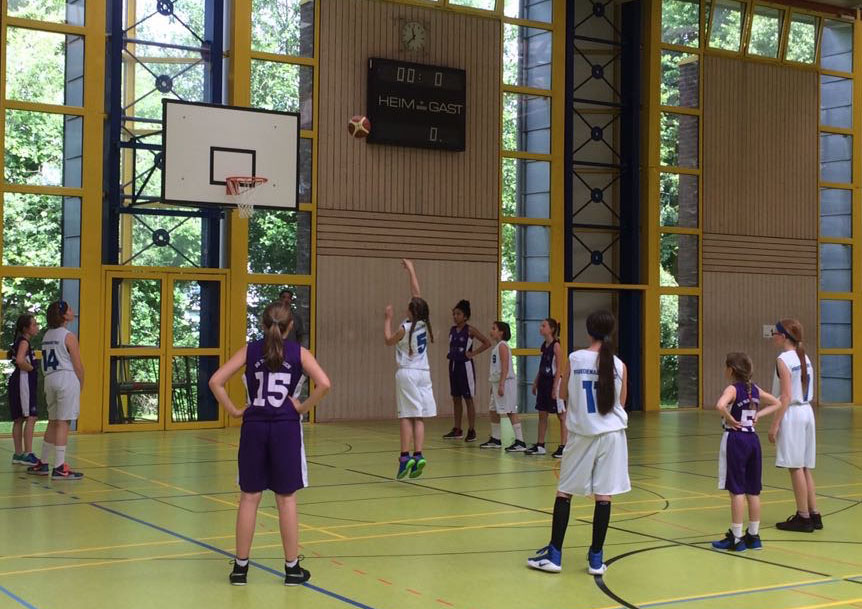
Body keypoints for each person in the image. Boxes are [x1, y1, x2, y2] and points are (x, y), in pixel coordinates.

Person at [209, 301, 330, 586]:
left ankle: (240, 569)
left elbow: (216, 381)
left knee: (249, 497)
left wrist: (234, 410)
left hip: (254, 427)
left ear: (263, 325)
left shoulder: (250, 351)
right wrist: (301, 407)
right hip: (285, 428)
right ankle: (292, 569)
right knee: (286, 499)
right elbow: (324, 383)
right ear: (291, 327)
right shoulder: (299, 353)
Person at [527, 310, 629, 575]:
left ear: (588, 331)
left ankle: (555, 555)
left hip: (583, 434)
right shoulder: (619, 365)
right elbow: (621, 403)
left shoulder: (575, 358)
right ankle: (596, 560)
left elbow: (561, 393)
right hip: (613, 436)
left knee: (565, 491)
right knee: (603, 495)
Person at [711, 353, 780, 552]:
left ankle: (736, 537)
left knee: (737, 491)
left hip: (736, 440)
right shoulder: (755, 389)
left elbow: (719, 405)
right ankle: (754, 536)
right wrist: (759, 414)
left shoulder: (732, 389)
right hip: (753, 441)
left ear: (731, 370)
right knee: (753, 491)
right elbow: (777, 403)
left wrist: (729, 417)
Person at [384, 259, 436, 479]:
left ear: (411, 311)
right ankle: (419, 454)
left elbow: (388, 340)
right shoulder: (424, 323)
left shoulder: (404, 328)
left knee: (406, 416)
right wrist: (411, 270)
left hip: (407, 373)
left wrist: (387, 319)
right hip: (424, 373)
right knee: (419, 416)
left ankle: (404, 456)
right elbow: (417, 293)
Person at [770, 319, 820, 532]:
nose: (773, 336)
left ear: (783, 336)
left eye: (775, 332)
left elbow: (786, 396)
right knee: (804, 466)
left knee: (795, 466)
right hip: (807, 412)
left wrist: (774, 424)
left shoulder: (783, 359)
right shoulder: (803, 356)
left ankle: (803, 517)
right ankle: (814, 514)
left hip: (793, 414)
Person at [27, 301, 84, 480]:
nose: (72, 311)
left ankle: (44, 462)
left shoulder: (47, 335)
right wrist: (81, 383)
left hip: (50, 378)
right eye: (69, 309)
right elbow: (77, 364)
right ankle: (59, 467)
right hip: (66, 378)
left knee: (52, 421)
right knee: (63, 423)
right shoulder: (69, 336)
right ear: (64, 315)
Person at [442, 299, 490, 443]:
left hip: (465, 366)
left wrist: (473, 353)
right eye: (454, 314)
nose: (455, 316)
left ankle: (471, 430)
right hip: (453, 365)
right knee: (456, 398)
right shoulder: (452, 330)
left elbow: (487, 342)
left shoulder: (470, 330)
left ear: (465, 316)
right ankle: (457, 429)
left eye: (458, 314)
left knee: (468, 398)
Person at [479, 321, 526, 452]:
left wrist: (501, 384)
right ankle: (496, 439)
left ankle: (520, 441)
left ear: (501, 332)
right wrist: (494, 385)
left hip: (506, 383)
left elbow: (505, 367)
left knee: (510, 411)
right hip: (497, 382)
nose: (491, 331)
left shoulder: (503, 346)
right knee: (493, 410)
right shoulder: (497, 346)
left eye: (494, 328)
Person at [526, 318, 568, 458]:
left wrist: (555, 387)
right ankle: (540, 445)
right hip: (543, 382)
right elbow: (542, 365)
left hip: (554, 382)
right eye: (540, 326)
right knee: (542, 414)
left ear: (552, 329)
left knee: (561, 415)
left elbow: (559, 368)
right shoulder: (544, 345)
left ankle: (564, 446)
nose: (540, 328)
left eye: (543, 326)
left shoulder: (556, 346)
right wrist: (536, 382)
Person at [9, 314, 40, 466]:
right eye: (34, 324)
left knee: (19, 419)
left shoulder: (21, 341)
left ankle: (18, 454)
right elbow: (20, 360)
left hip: (19, 381)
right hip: (23, 381)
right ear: (26, 328)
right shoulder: (24, 342)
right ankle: (28, 453)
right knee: (31, 417)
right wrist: (31, 368)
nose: (37, 327)